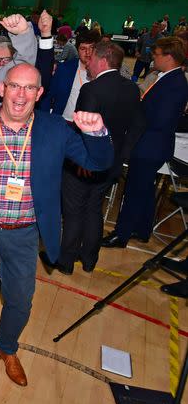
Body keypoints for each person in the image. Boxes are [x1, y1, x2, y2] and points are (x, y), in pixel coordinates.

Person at [0, 63, 112, 387]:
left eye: (30, 88)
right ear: (2, 88)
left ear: (40, 93)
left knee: (20, 297)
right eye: (15, 86)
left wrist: (97, 132)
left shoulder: (56, 129)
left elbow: (98, 163)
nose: (21, 95)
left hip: (24, 232)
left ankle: (7, 347)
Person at [51, 42, 146, 273]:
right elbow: (138, 126)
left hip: (87, 162)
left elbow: (84, 129)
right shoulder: (131, 88)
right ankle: (90, 260)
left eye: (91, 58)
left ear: (103, 61)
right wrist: (121, 156)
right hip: (112, 163)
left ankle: (66, 261)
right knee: (94, 209)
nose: (88, 62)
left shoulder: (91, 90)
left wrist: (83, 160)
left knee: (73, 211)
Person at [103, 38, 188, 248]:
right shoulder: (166, 78)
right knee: (145, 189)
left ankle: (121, 235)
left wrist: (136, 109)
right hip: (151, 144)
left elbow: (162, 118)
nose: (153, 58)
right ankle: (142, 229)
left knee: (133, 190)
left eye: (157, 54)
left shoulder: (175, 83)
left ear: (169, 57)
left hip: (150, 145)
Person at [37, 30, 100, 117]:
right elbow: (48, 95)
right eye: (83, 48)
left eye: (91, 48)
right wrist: (47, 118)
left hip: (92, 125)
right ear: (77, 50)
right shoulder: (65, 69)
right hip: (64, 122)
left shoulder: (104, 71)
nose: (88, 52)